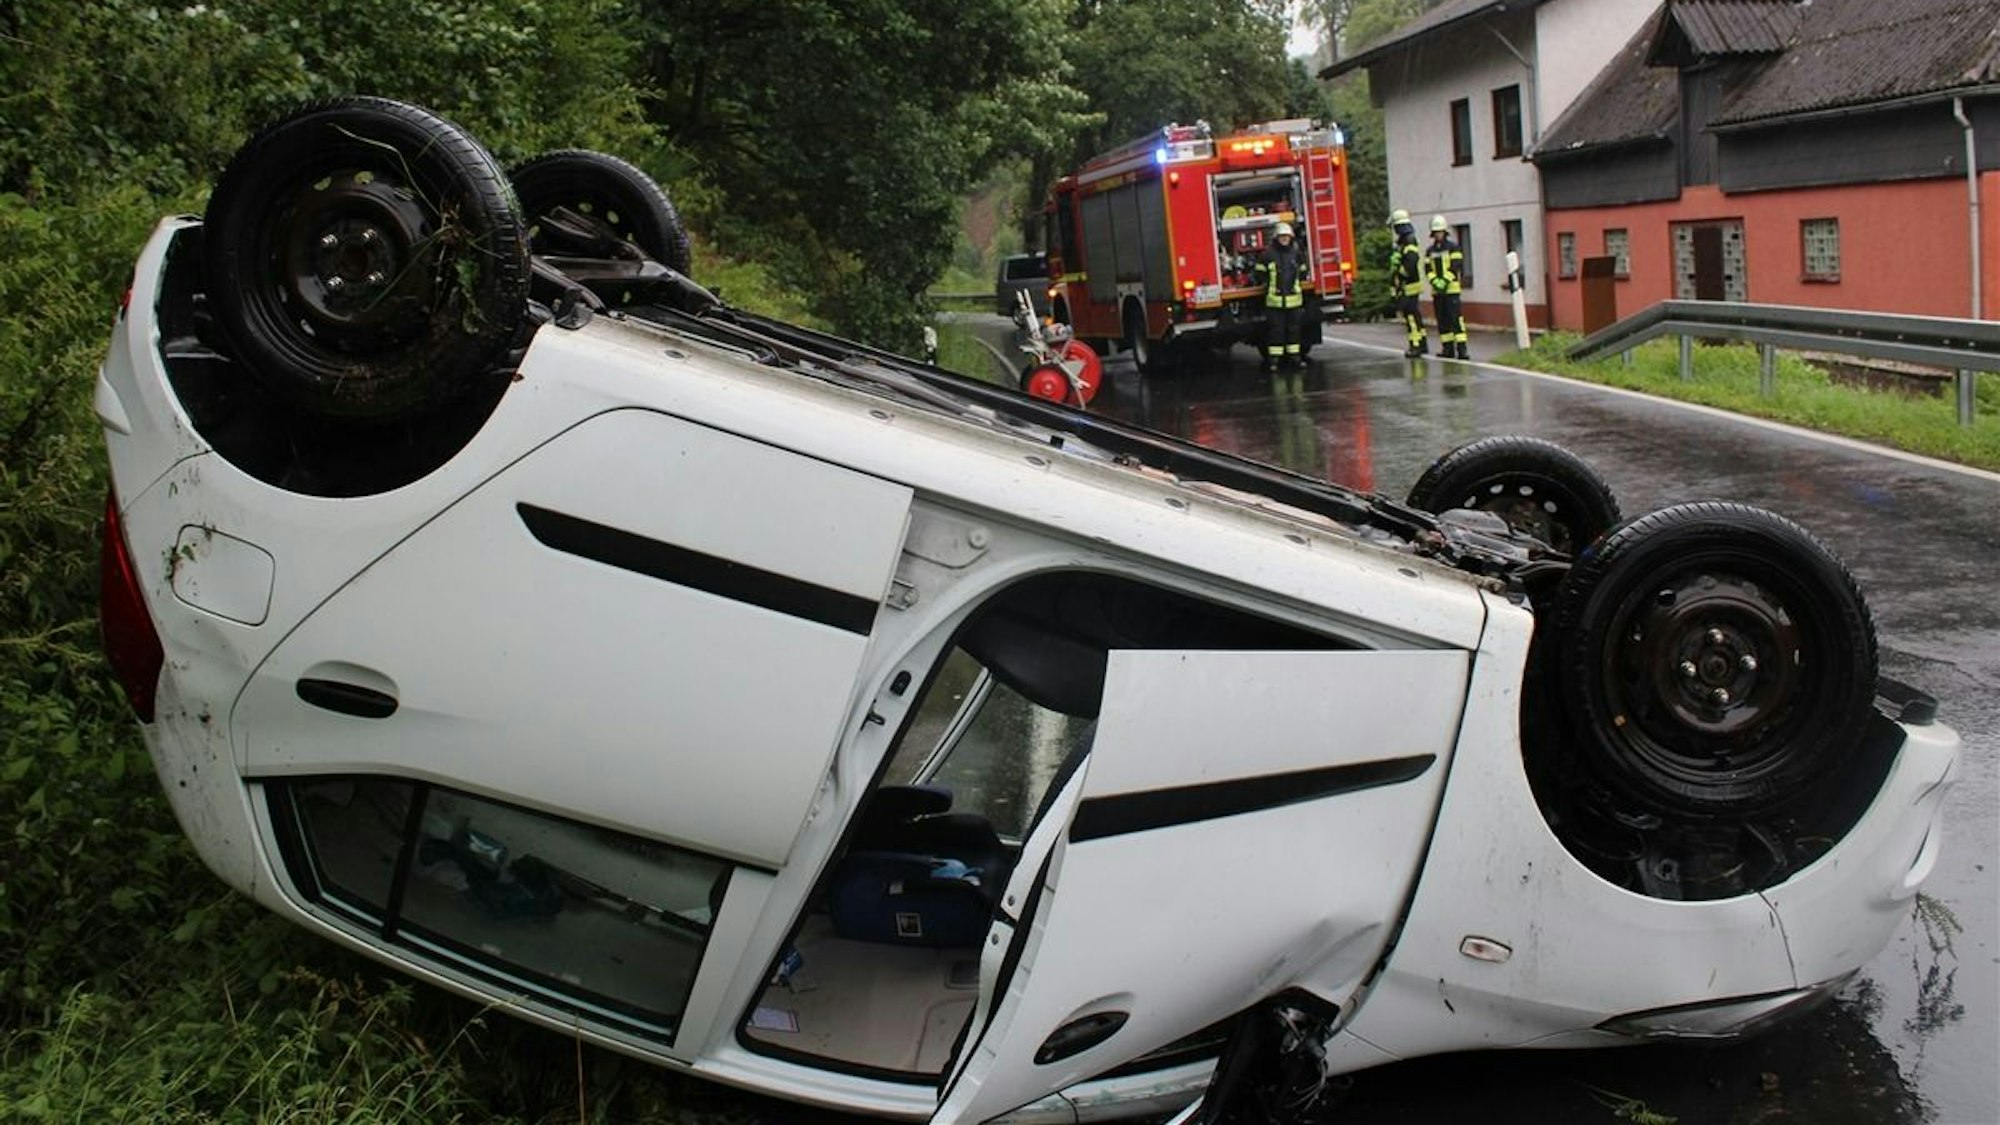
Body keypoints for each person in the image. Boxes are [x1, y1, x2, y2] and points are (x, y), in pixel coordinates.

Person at [1253, 221, 1308, 372]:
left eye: (1287, 236)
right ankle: (1274, 361)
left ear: (1291, 237)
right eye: (1282, 236)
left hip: (1294, 300)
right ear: (1276, 237)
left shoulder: (1296, 254)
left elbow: (1303, 271)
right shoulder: (1268, 254)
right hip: (1274, 302)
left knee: (1294, 331)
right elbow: (1259, 273)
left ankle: (1295, 359)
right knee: (1276, 332)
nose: (1285, 239)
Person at [1427, 215, 1470, 360]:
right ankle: (1447, 348)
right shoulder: (1430, 250)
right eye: (1436, 232)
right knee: (1442, 320)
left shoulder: (1453, 247)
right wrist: (1434, 281)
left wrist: (1444, 281)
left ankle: (1462, 350)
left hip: (1451, 290)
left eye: (1440, 231)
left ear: (1444, 232)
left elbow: (1456, 266)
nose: (1438, 234)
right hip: (1437, 292)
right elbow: (1427, 268)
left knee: (1455, 319)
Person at [1387, 209, 1428, 357]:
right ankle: (1422, 344)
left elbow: (1410, 263)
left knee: (1410, 316)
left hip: (1409, 286)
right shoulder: (1405, 241)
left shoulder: (1408, 241)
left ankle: (1415, 346)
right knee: (1415, 316)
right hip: (1410, 285)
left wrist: (1400, 274)